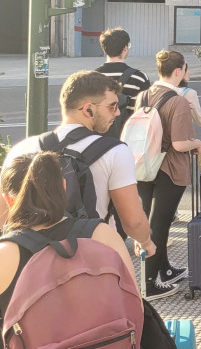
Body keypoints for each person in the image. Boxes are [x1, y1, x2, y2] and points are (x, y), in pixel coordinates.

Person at [2, 71, 154, 285]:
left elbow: (3, 212)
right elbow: (133, 220)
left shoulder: (22, 149)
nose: (117, 112)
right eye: (112, 105)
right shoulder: (115, 152)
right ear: (88, 109)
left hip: (28, 261)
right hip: (90, 259)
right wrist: (146, 241)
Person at [0, 151, 139, 317]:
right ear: (64, 187)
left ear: (8, 200)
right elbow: (136, 307)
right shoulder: (103, 235)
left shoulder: (6, 253)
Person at [136, 50, 201, 299]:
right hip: (169, 169)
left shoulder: (143, 95)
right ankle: (150, 282)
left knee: (153, 221)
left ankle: (164, 269)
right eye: (186, 69)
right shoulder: (178, 102)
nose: (187, 74)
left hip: (145, 166)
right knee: (159, 224)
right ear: (178, 72)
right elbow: (178, 144)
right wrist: (196, 142)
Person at [95, 27, 151, 140]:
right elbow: (145, 111)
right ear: (125, 48)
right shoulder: (139, 78)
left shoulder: (92, 78)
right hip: (130, 138)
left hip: (99, 140)